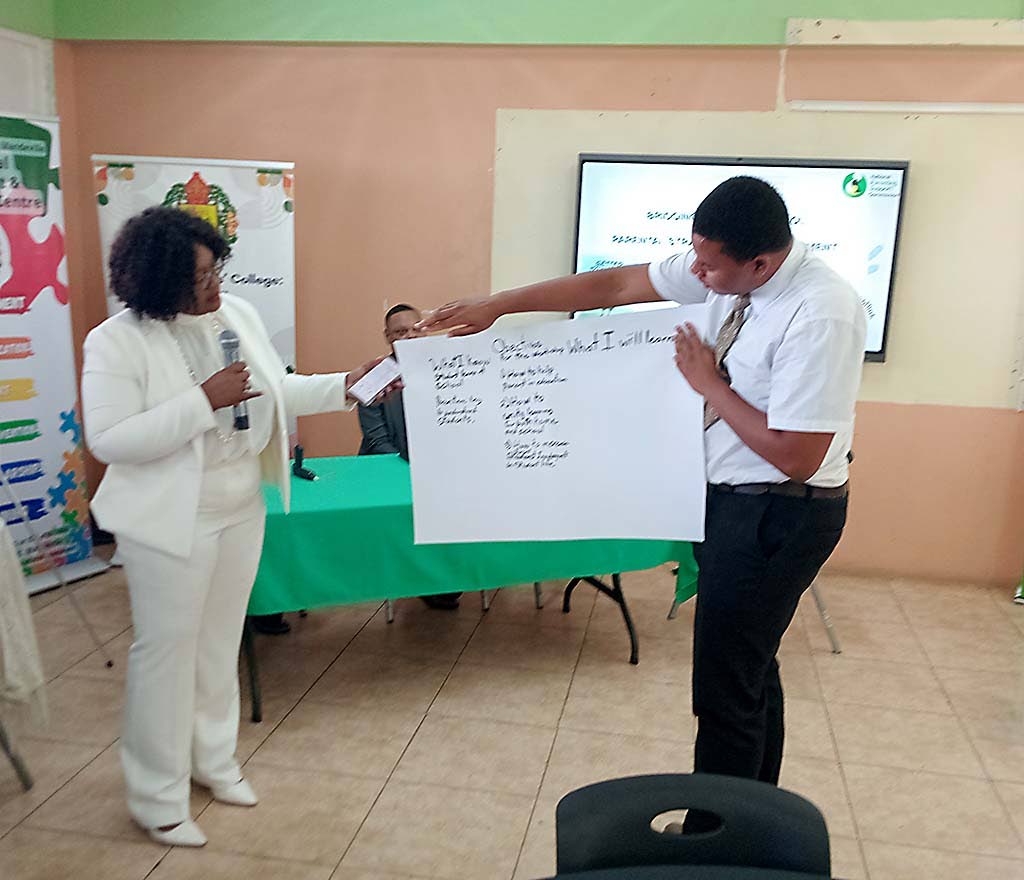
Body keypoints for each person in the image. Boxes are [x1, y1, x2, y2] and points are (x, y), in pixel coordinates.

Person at [420, 177, 865, 813]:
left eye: (710, 266)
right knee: (748, 672)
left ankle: (716, 844)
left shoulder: (821, 309)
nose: (698, 273)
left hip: (779, 513)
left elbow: (800, 455)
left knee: (724, 689)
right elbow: (615, 285)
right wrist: (498, 305)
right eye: (695, 257)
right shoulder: (728, 268)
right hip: (735, 503)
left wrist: (709, 385)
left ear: (761, 263)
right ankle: (751, 823)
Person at [81, 206, 391, 847]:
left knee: (220, 644)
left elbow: (276, 390)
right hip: (171, 519)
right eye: (198, 277)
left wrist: (345, 387)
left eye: (215, 267)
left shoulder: (238, 315)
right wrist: (204, 401)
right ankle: (157, 797)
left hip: (240, 505)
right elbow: (110, 440)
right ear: (160, 280)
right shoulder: (116, 340)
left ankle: (213, 764)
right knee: (167, 655)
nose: (215, 284)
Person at [358, 303, 462, 611]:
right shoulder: (376, 378)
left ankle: (447, 578)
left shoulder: (448, 369)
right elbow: (377, 441)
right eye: (400, 332)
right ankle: (421, 580)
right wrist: (417, 473)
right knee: (411, 514)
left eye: (414, 330)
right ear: (388, 337)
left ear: (425, 330)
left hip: (440, 473)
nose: (408, 337)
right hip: (389, 473)